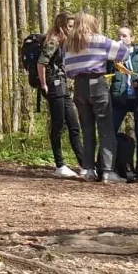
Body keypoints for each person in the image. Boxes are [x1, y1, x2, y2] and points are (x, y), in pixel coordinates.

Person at [61, 12, 130, 182]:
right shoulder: (99, 40)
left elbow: (67, 69)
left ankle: (89, 170)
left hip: (79, 85)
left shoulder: (68, 44)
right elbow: (124, 53)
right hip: (98, 83)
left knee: (87, 130)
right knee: (106, 129)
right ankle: (107, 171)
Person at [36, 12, 82, 179]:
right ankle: (60, 164)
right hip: (53, 86)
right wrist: (44, 84)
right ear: (61, 26)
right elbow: (41, 63)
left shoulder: (63, 42)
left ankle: (84, 163)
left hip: (63, 85)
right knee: (58, 125)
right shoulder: (53, 40)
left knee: (74, 125)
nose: (71, 29)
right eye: (69, 26)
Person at [110, 27, 138, 181]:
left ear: (132, 38)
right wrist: (113, 61)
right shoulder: (113, 54)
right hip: (119, 98)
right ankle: (110, 166)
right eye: (119, 35)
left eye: (124, 36)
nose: (121, 38)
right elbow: (107, 72)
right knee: (110, 131)